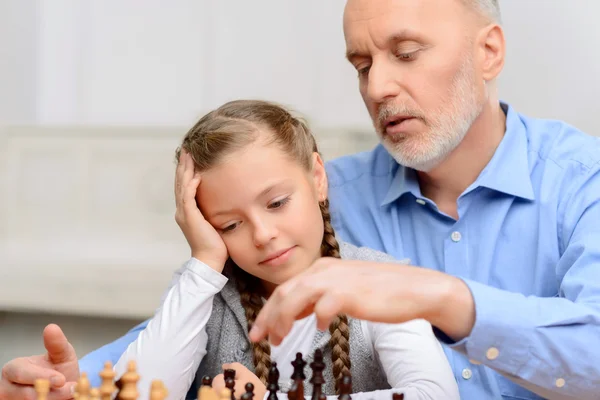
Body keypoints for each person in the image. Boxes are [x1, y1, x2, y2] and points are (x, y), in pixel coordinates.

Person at [2, 0, 600, 399]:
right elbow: (206, 321)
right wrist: (78, 380)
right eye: (361, 64)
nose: (378, 86)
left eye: (407, 53)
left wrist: (444, 297)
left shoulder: (582, 183)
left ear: (488, 51)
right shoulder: (314, 199)